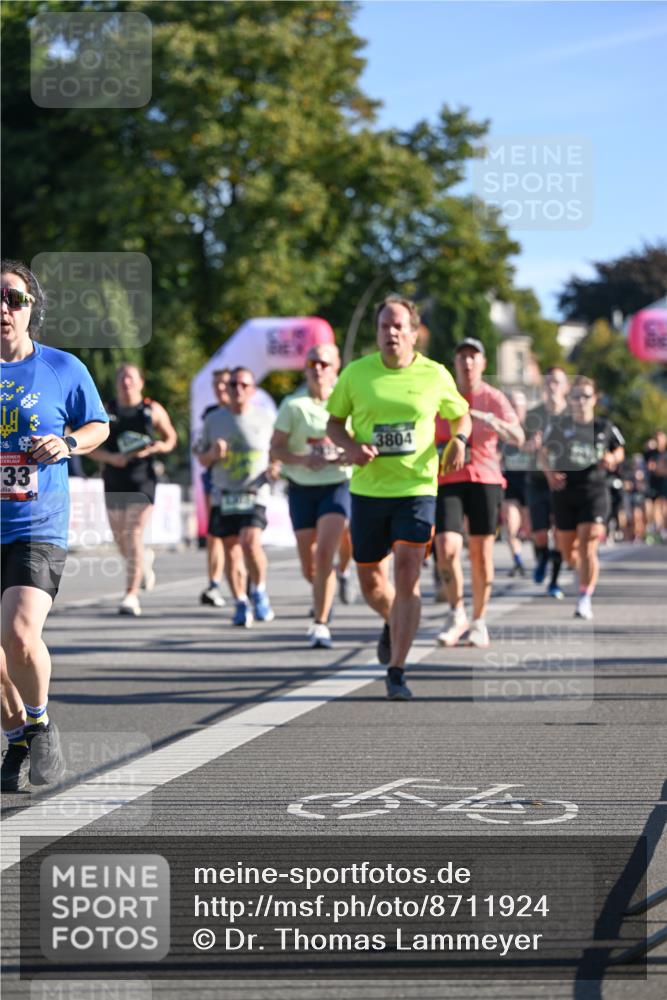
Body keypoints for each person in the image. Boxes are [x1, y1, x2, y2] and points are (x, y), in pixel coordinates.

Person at [326, 295, 471, 700]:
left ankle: (397, 670)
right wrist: (352, 447)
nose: (389, 333)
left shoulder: (434, 374)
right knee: (372, 581)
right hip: (369, 489)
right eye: (383, 326)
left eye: (397, 326)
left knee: (407, 570)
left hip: (417, 488)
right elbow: (334, 424)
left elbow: (462, 414)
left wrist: (459, 438)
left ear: (412, 333)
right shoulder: (356, 374)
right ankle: (393, 619)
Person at [1, 259, 109, 791]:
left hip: (36, 523)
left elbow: (98, 425)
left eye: (15, 299)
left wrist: (66, 443)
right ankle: (19, 735)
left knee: (19, 634)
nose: (4, 307)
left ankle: (39, 723)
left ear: (31, 310)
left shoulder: (62, 368)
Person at [435, 338, 524, 649]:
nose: (467, 362)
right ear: (455, 363)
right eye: (462, 357)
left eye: (473, 357)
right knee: (446, 547)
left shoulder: (494, 397)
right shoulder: (442, 396)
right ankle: (457, 611)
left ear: (483, 364)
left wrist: (491, 420)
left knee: (481, 553)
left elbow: (519, 436)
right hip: (448, 479)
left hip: (485, 478)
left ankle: (479, 620)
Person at [271, 344, 351, 648]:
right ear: (306, 369)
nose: (318, 368)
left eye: (324, 363)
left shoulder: (347, 402)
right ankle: (327, 587)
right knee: (310, 565)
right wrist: (303, 459)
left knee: (324, 553)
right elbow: (275, 448)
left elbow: (359, 440)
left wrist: (347, 454)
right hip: (303, 488)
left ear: (336, 368)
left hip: (337, 484)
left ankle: (320, 622)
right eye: (312, 363)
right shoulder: (293, 405)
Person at [89, 363, 177, 616]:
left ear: (140, 382)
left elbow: (171, 439)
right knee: (121, 539)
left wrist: (158, 448)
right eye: (122, 378)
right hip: (114, 478)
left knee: (133, 532)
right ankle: (143, 562)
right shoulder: (106, 410)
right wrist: (110, 458)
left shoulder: (151, 410)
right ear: (117, 383)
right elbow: (89, 445)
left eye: (130, 378)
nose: (126, 383)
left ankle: (130, 595)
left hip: (143, 479)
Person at [196, 366, 278, 627]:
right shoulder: (213, 420)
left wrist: (276, 467)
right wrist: (213, 455)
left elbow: (279, 450)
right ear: (226, 389)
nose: (238, 389)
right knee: (232, 551)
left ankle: (259, 591)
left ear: (253, 389)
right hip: (225, 494)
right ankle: (241, 602)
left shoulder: (265, 418)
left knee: (251, 543)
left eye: (244, 385)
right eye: (233, 385)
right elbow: (202, 458)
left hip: (255, 491)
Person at [543, 375, 624, 620]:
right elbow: (543, 453)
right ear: (569, 399)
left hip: (595, 491)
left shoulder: (604, 426)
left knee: (589, 542)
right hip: (565, 491)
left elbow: (619, 448)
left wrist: (613, 458)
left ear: (595, 399)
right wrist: (549, 474)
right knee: (568, 551)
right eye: (576, 396)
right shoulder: (559, 426)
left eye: (586, 396)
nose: (581, 401)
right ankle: (577, 567)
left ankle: (584, 597)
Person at [523, 366, 570, 599]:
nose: (552, 386)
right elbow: (522, 444)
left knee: (561, 534)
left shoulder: (572, 415)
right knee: (540, 533)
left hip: (563, 481)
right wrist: (530, 445)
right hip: (537, 480)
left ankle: (554, 581)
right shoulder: (534, 415)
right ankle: (541, 556)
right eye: (549, 382)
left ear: (566, 387)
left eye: (557, 382)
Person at [195, 368, 231, 607]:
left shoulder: (250, 413)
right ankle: (214, 583)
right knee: (214, 533)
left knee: (240, 538)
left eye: (224, 383)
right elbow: (198, 449)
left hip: (243, 482)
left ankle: (248, 583)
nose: (220, 388)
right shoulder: (210, 414)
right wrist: (211, 453)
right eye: (216, 384)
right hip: (215, 479)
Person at [501, 390, 531, 577]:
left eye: (517, 405)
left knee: (531, 530)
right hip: (510, 481)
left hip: (530, 483)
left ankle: (542, 557)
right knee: (510, 525)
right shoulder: (501, 429)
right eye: (510, 404)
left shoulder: (533, 429)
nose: (514, 408)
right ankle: (518, 560)